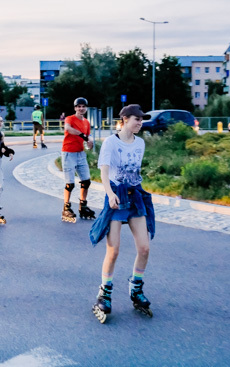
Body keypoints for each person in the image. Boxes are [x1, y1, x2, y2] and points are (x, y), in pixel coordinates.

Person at [89, 104, 156, 323]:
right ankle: (104, 292)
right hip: (116, 196)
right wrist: (109, 194)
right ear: (125, 119)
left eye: (142, 120)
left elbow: (135, 171)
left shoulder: (141, 143)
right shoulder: (110, 142)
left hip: (134, 196)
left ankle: (135, 288)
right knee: (114, 250)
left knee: (144, 248)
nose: (140, 123)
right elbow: (104, 171)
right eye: (137, 119)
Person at [60, 97, 95, 223]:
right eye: (79, 106)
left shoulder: (86, 122)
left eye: (83, 106)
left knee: (86, 181)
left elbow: (89, 135)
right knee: (70, 183)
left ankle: (83, 205)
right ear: (75, 108)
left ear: (86, 108)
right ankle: (66, 207)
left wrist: (90, 141)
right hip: (69, 152)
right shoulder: (70, 118)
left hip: (80, 153)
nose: (81, 108)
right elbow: (68, 129)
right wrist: (83, 136)